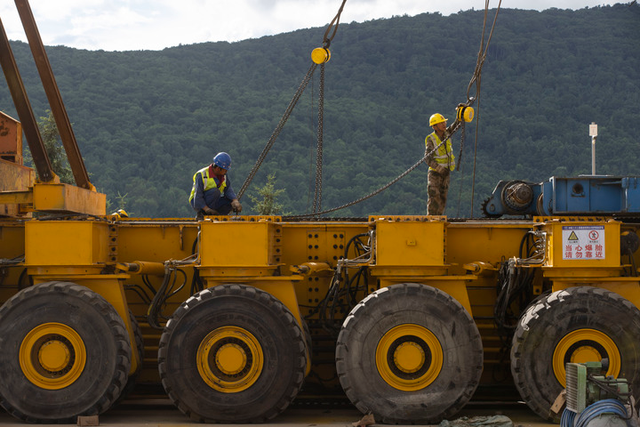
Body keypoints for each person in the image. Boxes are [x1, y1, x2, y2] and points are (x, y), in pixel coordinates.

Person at [189, 152, 242, 219]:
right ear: (218, 168)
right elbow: (198, 196)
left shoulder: (223, 176)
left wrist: (235, 201)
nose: (226, 172)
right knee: (215, 191)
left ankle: (219, 216)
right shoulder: (202, 175)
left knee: (230, 201)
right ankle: (203, 214)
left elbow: (228, 190)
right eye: (225, 170)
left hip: (214, 200)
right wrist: (206, 209)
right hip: (197, 202)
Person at [424, 113, 455, 215]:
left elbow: (456, 125)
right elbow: (427, 159)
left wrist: (461, 113)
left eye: (444, 122)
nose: (444, 124)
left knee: (442, 198)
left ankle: (438, 220)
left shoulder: (447, 134)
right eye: (441, 123)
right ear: (434, 126)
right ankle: (431, 220)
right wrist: (439, 168)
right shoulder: (431, 139)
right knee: (434, 197)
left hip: (445, 174)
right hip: (435, 174)